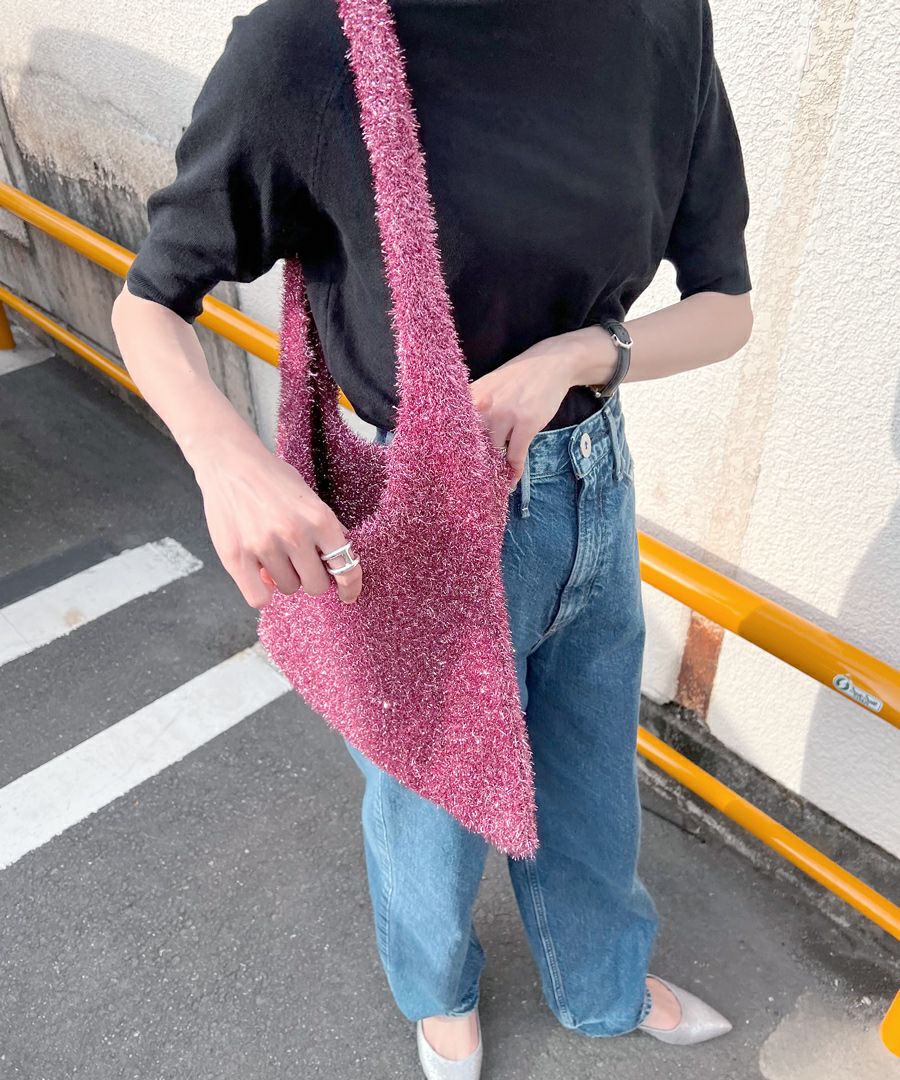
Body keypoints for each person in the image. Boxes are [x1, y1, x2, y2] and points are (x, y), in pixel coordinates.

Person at [111, 1, 754, 1075]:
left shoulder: (662, 19)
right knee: (426, 800)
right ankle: (437, 991)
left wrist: (575, 357)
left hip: (594, 477)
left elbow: (726, 305)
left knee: (593, 771)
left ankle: (601, 981)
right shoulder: (314, 41)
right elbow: (151, 300)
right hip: (418, 497)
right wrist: (230, 461)